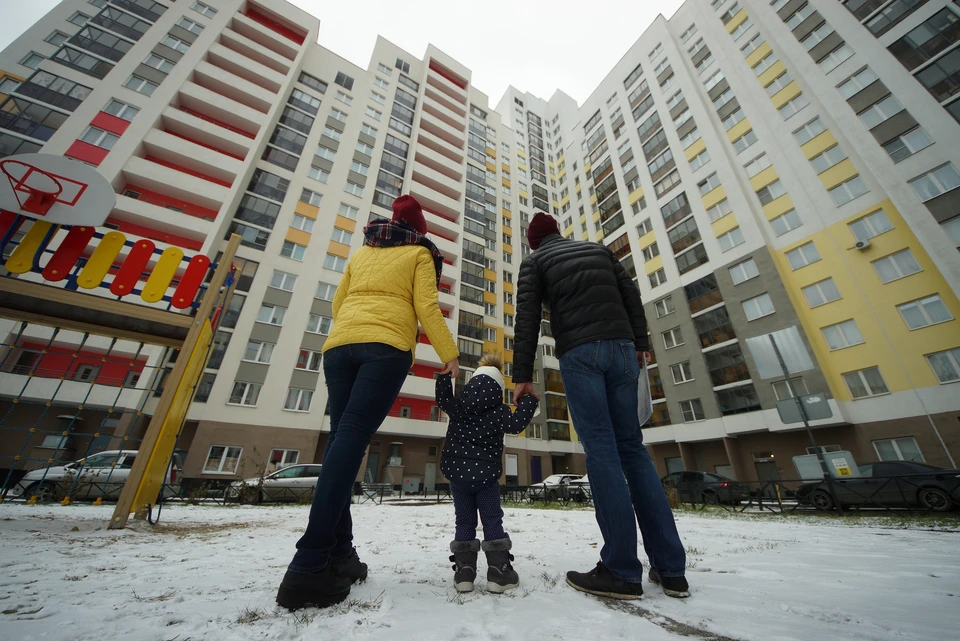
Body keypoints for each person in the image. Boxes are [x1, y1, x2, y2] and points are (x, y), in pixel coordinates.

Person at [277, 195, 460, 611]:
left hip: (339, 347)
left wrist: (351, 328)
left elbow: (336, 304)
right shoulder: (419, 253)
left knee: (342, 442)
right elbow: (425, 305)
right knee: (350, 442)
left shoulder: (363, 253)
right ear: (419, 230)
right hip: (385, 347)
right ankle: (308, 565)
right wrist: (449, 354)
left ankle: (340, 556)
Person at [512, 212, 689, 600]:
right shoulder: (598, 250)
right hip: (624, 350)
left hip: (582, 353)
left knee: (603, 452)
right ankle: (671, 569)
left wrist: (521, 374)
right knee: (633, 449)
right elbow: (631, 295)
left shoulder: (536, 261)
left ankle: (622, 571)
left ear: (533, 242)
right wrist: (640, 343)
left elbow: (526, 318)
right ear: (559, 232)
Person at [436, 353, 538, 594]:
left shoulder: (459, 404)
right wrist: (528, 401)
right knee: (492, 520)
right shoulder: (500, 411)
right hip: (485, 479)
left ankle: (464, 572)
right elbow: (516, 424)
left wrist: (444, 378)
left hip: (458, 477)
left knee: (464, 521)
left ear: (473, 382)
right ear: (498, 389)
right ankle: (499, 572)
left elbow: (443, 400)